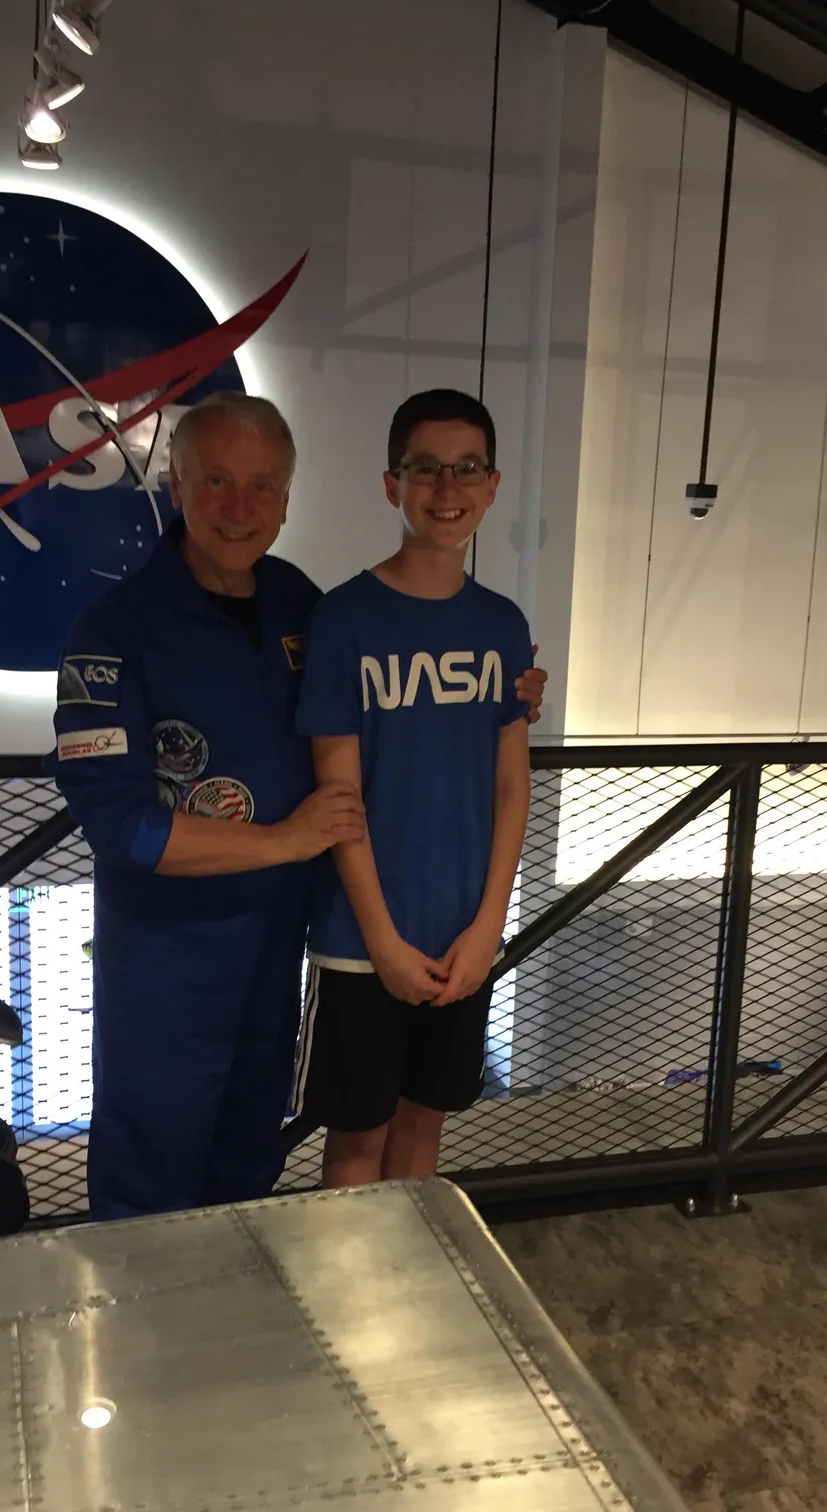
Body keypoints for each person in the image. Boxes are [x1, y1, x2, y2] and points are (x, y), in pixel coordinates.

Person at [48, 391, 544, 1220]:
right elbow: (118, 826)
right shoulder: (113, 630)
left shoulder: (299, 606)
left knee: (251, 1155)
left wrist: (512, 692)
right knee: (150, 1173)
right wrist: (287, 840)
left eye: (262, 488)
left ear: (285, 499)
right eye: (216, 483)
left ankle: (244, 1330)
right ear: (176, 484)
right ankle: (148, 1344)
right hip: (168, 961)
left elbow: (397, 680)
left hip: (279, 947)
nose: (239, 509)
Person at [293, 389, 532, 1189]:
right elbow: (338, 797)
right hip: (364, 946)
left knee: (424, 1129)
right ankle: (343, 1309)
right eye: (425, 470)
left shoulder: (502, 625)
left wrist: (489, 926)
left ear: (493, 485)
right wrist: (384, 943)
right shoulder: (344, 620)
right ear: (391, 484)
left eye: (466, 470)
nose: (447, 489)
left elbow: (510, 785)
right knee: (357, 1143)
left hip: (462, 940)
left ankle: (401, 1307)